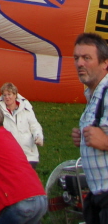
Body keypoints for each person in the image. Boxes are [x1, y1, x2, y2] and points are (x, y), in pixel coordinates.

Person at [72, 33, 108, 223]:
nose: (79, 64)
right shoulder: (93, 95)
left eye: (87, 58)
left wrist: (105, 142)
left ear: (105, 63)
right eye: (76, 58)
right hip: (97, 194)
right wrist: (85, 140)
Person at [0, 81, 43, 166]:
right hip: (10, 155)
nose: (7, 97)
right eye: (4, 95)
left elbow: (35, 126)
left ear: (15, 95)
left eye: (9, 94)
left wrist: (38, 137)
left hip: (29, 155)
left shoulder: (26, 108)